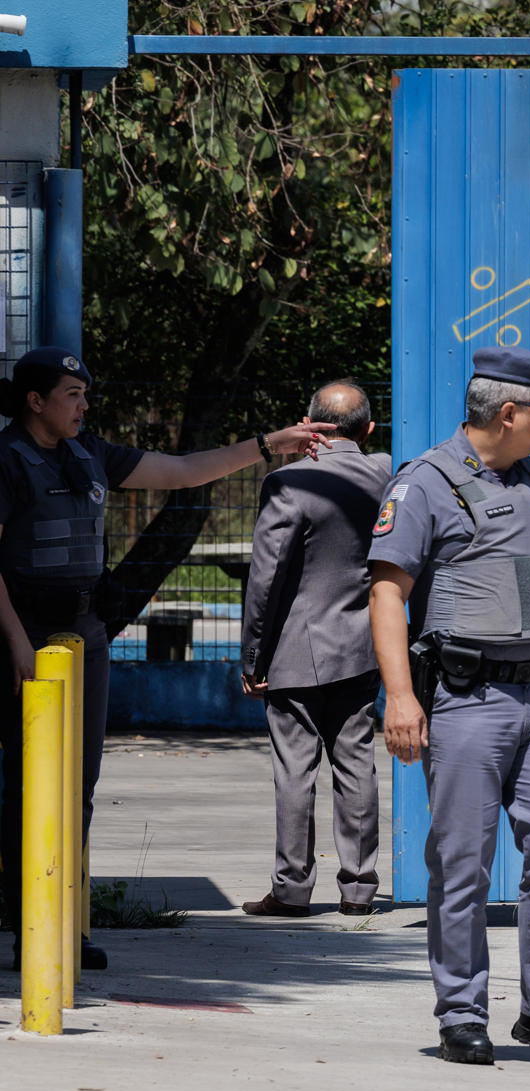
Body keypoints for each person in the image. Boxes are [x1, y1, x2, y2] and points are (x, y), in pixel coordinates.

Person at [0, 346, 322, 970]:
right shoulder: (7, 459)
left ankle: (64, 921)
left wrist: (265, 444)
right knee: (21, 785)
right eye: (72, 394)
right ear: (35, 401)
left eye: (85, 393)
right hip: (23, 638)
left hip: (84, 637)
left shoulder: (89, 452)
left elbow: (181, 471)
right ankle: (24, 924)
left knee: (77, 786)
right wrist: (15, 642)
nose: (84, 404)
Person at [368, 346, 530, 1068]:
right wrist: (402, 698)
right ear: (508, 414)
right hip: (468, 701)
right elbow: (386, 593)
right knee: (463, 863)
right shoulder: (425, 484)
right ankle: (463, 1012)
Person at [238, 380, 390, 919]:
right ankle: (359, 889)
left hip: (296, 652)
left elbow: (266, 577)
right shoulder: (385, 474)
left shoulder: (288, 482)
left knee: (295, 771)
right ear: (368, 430)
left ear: (308, 424)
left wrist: (252, 658)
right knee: (357, 765)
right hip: (366, 646)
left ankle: (291, 890)